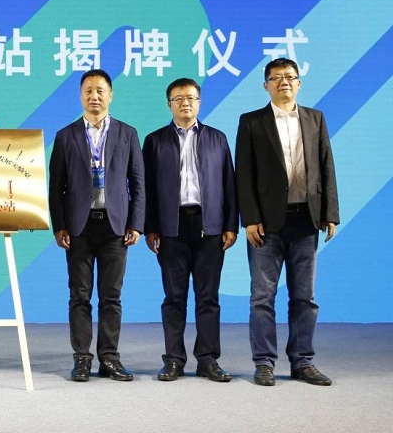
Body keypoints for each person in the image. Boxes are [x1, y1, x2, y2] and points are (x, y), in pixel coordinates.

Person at [235, 58, 339, 386]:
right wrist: (250, 219)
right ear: (265, 85)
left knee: (305, 297)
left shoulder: (315, 118)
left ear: (299, 83)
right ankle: (264, 362)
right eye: (277, 77)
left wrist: (330, 213)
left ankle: (302, 362)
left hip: (306, 220)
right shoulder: (252, 121)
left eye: (290, 77)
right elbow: (244, 174)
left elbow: (326, 166)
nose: (284, 82)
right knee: (262, 298)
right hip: (266, 225)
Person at [48, 68, 145, 382]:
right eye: (88, 91)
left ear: (110, 95)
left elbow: (138, 183)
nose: (94, 96)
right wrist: (59, 226)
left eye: (100, 90)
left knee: (111, 296)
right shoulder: (65, 136)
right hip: (79, 226)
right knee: (79, 295)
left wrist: (136, 224)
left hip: (116, 226)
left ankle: (110, 358)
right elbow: (56, 187)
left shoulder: (127, 133)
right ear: (80, 95)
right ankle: (81, 359)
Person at [143, 77, 238, 383]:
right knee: (174, 297)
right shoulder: (154, 141)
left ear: (199, 102)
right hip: (171, 228)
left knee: (208, 297)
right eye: (179, 99)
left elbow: (229, 184)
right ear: (169, 104)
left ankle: (208, 359)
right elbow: (146, 189)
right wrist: (150, 228)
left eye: (191, 98)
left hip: (210, 227)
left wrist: (230, 225)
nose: (185, 103)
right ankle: (173, 360)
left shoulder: (217, 139)